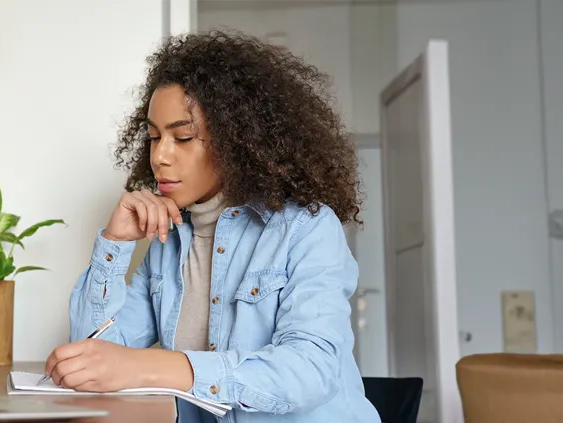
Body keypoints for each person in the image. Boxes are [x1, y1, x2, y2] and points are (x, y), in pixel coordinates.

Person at [44, 30, 382, 422]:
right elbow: (92, 356)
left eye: (183, 137)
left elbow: (309, 371)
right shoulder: (170, 240)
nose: (160, 157)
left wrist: (149, 367)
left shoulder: (306, 227)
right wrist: (115, 243)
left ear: (237, 139)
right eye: (154, 137)